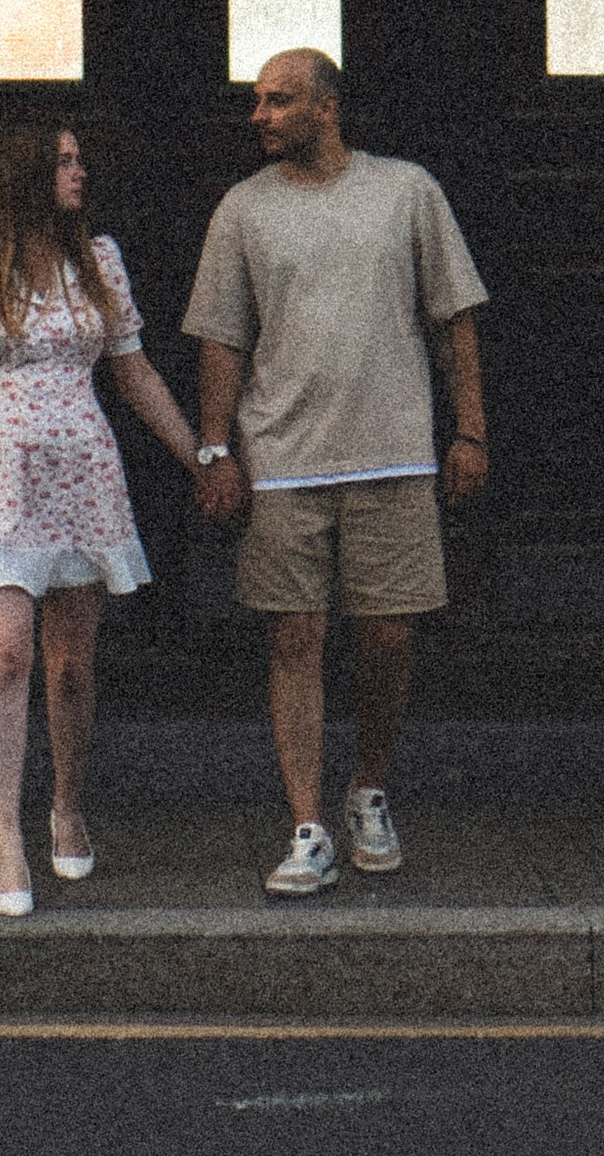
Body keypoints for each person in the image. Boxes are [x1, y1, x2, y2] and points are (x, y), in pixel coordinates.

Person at [184, 47, 489, 897]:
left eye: (278, 101)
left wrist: (470, 432)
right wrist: (215, 449)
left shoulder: (406, 191)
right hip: (283, 460)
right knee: (295, 635)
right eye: (258, 101)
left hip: (394, 450)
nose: (259, 116)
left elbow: (455, 319)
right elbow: (220, 338)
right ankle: (307, 824)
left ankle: (368, 789)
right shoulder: (243, 210)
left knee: (389, 634)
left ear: (328, 107)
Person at [0, 120, 201, 915]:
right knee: (9, 655)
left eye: (79, 160)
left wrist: (200, 458)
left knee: (71, 663)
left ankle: (67, 803)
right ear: (27, 174)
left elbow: (135, 374)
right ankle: (7, 838)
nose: (80, 173)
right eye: (65, 162)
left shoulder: (97, 261)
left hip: (82, 477)